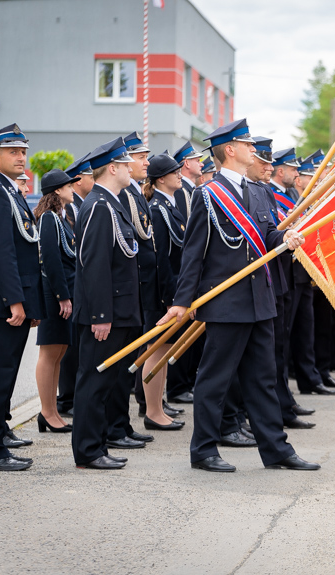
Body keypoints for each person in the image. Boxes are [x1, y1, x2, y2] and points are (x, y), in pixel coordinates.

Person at [157, 118, 320, 473]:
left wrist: (286, 240)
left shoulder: (259, 191)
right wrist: (182, 302)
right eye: (247, 144)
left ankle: (276, 449)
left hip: (260, 298)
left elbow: (265, 235)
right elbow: (193, 253)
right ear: (230, 150)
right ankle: (203, 450)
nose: (253, 150)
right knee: (216, 378)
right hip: (226, 302)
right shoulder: (208, 195)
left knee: (263, 377)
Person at [0, 123, 44, 471]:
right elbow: (0, 253)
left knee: (5, 376)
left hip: (13, 302)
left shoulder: (9, 190)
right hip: (0, 303)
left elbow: (24, 249)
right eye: (13, 151)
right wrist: (15, 301)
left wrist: (27, 303)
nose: (21, 157)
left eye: (23, 151)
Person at [71, 137, 142, 470]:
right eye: (126, 164)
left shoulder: (110, 202)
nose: (131, 169)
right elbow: (94, 263)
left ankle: (96, 445)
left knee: (105, 383)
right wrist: (100, 314)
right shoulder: (100, 205)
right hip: (104, 314)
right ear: (112, 168)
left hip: (118, 310)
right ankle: (87, 451)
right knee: (94, 383)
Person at [248, 138, 314, 429]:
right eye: (265, 162)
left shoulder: (265, 193)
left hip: (280, 280)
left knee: (279, 348)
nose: (270, 168)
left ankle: (283, 406)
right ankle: (251, 416)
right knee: (262, 356)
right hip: (261, 283)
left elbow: (274, 233)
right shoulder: (248, 192)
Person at [114, 131, 165, 448]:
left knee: (135, 352)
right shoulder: (122, 196)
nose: (146, 162)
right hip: (134, 285)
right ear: (125, 161)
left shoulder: (134, 194)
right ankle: (120, 424)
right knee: (126, 358)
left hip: (144, 283)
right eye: (141, 157)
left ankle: (125, 423)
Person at [142, 152, 188, 431]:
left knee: (164, 349)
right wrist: (170, 297)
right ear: (161, 179)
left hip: (169, 291)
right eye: (175, 171)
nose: (180, 174)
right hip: (161, 293)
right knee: (155, 351)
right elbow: (160, 260)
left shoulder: (169, 206)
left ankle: (159, 408)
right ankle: (152, 412)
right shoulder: (158, 209)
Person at [288, 157, 335, 396]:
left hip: (306, 273)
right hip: (291, 274)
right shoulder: (286, 199)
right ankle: (288, 392)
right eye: (310, 176)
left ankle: (312, 379)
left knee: (306, 331)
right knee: (286, 337)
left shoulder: (303, 200)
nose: (315, 180)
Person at [33, 169, 80, 433]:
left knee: (59, 353)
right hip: (55, 294)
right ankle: (47, 412)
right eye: (68, 186)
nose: (72, 189)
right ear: (57, 191)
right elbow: (51, 260)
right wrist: (63, 296)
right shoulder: (50, 218)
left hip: (64, 293)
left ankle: (52, 413)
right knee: (50, 353)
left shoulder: (60, 218)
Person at [166, 141, 205, 406]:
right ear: (185, 164)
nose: (201, 163)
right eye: (196, 159)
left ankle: (184, 384)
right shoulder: (182, 194)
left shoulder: (192, 191)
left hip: (190, 275)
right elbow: (186, 242)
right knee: (180, 336)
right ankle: (178, 387)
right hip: (181, 275)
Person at [57, 153, 95, 418]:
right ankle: (66, 399)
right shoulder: (70, 207)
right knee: (70, 350)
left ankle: (71, 397)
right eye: (91, 175)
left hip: (80, 284)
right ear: (79, 179)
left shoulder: (83, 204)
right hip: (71, 283)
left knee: (78, 347)